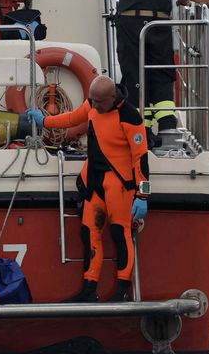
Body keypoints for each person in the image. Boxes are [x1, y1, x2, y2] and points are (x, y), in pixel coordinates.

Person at [27, 76, 150, 302]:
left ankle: (122, 290)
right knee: (89, 234)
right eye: (91, 101)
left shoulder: (130, 117)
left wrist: (143, 195)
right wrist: (44, 121)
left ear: (112, 98)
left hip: (119, 185)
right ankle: (89, 289)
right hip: (94, 182)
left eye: (99, 102)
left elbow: (140, 158)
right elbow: (72, 118)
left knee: (119, 234)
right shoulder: (93, 104)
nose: (94, 106)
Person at [103, 0, 209, 147]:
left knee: (134, 75)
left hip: (130, 22)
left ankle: (139, 130)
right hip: (159, 23)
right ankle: (167, 128)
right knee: (162, 74)